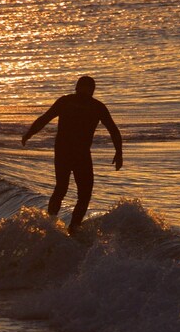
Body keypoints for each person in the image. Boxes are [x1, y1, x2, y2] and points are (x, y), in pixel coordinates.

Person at [21, 75, 122, 233]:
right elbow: (113, 130)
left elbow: (44, 119)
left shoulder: (67, 101)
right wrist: (119, 152)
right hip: (77, 153)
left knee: (67, 189)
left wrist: (29, 134)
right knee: (78, 192)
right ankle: (69, 227)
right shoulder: (94, 106)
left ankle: (57, 225)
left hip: (67, 152)